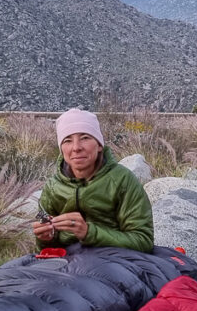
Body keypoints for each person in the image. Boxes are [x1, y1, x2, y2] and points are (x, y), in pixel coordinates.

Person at [32, 108, 155, 252]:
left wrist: (89, 233)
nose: (76, 148)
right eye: (67, 140)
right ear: (61, 149)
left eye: (85, 138)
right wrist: (45, 238)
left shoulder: (122, 180)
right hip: (67, 262)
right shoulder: (53, 187)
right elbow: (44, 250)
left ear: (99, 145)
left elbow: (143, 240)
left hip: (114, 259)